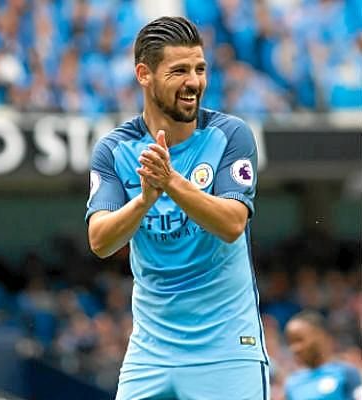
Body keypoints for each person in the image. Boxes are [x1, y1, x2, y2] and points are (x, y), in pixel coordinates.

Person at [86, 16, 269, 399]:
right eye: (179, 71)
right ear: (144, 74)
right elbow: (100, 241)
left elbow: (232, 224)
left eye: (200, 69)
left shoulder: (230, 135)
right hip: (150, 355)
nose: (194, 82)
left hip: (227, 351)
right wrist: (144, 201)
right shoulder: (114, 150)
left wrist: (170, 181)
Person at [284, 311, 361, 400]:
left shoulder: (346, 373)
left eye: (299, 340)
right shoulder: (292, 383)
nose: (294, 348)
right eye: (290, 343)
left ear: (321, 336)